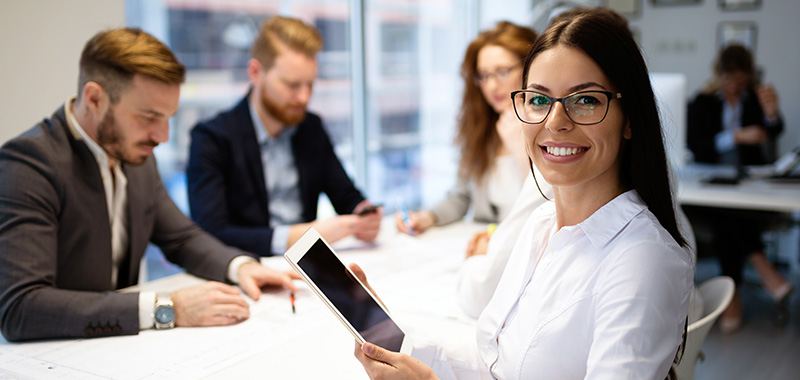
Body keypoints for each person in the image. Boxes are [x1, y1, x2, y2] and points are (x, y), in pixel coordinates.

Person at [352, 8, 693, 379]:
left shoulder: (643, 260)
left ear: (629, 118)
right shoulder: (541, 225)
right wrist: (391, 335)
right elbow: (497, 363)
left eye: (585, 100)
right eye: (539, 100)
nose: (555, 122)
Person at [0, 28, 300, 342]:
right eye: (148, 117)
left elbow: (182, 238)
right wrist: (168, 308)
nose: (162, 136)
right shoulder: (29, 164)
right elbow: (20, 307)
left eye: (168, 117)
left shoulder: (135, 153)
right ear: (94, 99)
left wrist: (239, 267)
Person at [187, 16, 381, 257]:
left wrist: (364, 213)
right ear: (255, 72)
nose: (304, 97)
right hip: (247, 265)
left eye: (310, 84)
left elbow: (345, 195)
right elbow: (211, 233)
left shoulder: (310, 127)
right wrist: (301, 236)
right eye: (292, 85)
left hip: (309, 264)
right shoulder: (212, 138)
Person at [685, 44, 792, 333]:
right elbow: (697, 144)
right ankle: (762, 268)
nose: (735, 86)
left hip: (748, 186)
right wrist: (736, 136)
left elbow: (774, 130)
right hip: (710, 185)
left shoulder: (754, 100)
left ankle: (731, 298)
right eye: (730, 79)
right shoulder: (702, 102)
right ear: (719, 74)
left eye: (741, 81)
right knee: (727, 213)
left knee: (728, 216)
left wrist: (771, 114)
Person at [396, 21, 537, 236]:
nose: (491, 86)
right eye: (484, 76)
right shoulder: (482, 129)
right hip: (486, 245)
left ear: (530, 68)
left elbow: (549, 205)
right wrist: (427, 217)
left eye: (502, 72)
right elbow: (461, 197)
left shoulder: (551, 128)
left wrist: (521, 150)